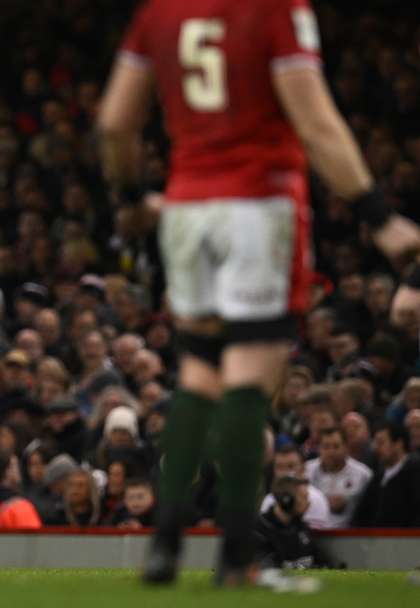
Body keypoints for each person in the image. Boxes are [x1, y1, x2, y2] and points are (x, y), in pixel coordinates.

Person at [98, 0, 420, 586]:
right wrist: (378, 216)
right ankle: (236, 558)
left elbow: (115, 122)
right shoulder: (275, 7)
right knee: (250, 373)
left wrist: (128, 200)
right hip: (258, 202)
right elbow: (316, 121)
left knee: (198, 370)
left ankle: (166, 546)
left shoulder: (158, 13)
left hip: (187, 206)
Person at [255, 475, 335, 569]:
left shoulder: (301, 528)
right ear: (287, 500)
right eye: (304, 497)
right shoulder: (261, 529)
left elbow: (325, 563)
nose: (308, 502)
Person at [353, 423, 420, 528]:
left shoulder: (415, 471)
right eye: (375, 443)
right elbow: (362, 515)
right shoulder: (378, 477)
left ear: (398, 444)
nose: (375, 448)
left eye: (381, 443)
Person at [304, 428, 372, 528]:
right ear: (319, 448)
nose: (331, 452)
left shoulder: (363, 474)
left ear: (345, 447)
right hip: (313, 532)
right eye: (326, 447)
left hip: (349, 534)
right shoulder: (306, 470)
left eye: (336, 446)